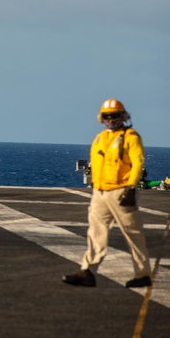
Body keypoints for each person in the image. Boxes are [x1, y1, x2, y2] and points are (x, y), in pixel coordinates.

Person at [63, 98, 152, 288]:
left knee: (133, 233)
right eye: (107, 116)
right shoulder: (100, 138)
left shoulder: (131, 137)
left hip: (121, 192)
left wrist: (130, 188)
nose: (111, 119)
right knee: (95, 232)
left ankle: (143, 273)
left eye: (114, 116)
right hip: (100, 193)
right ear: (102, 118)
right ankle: (87, 271)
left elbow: (137, 162)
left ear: (123, 116)